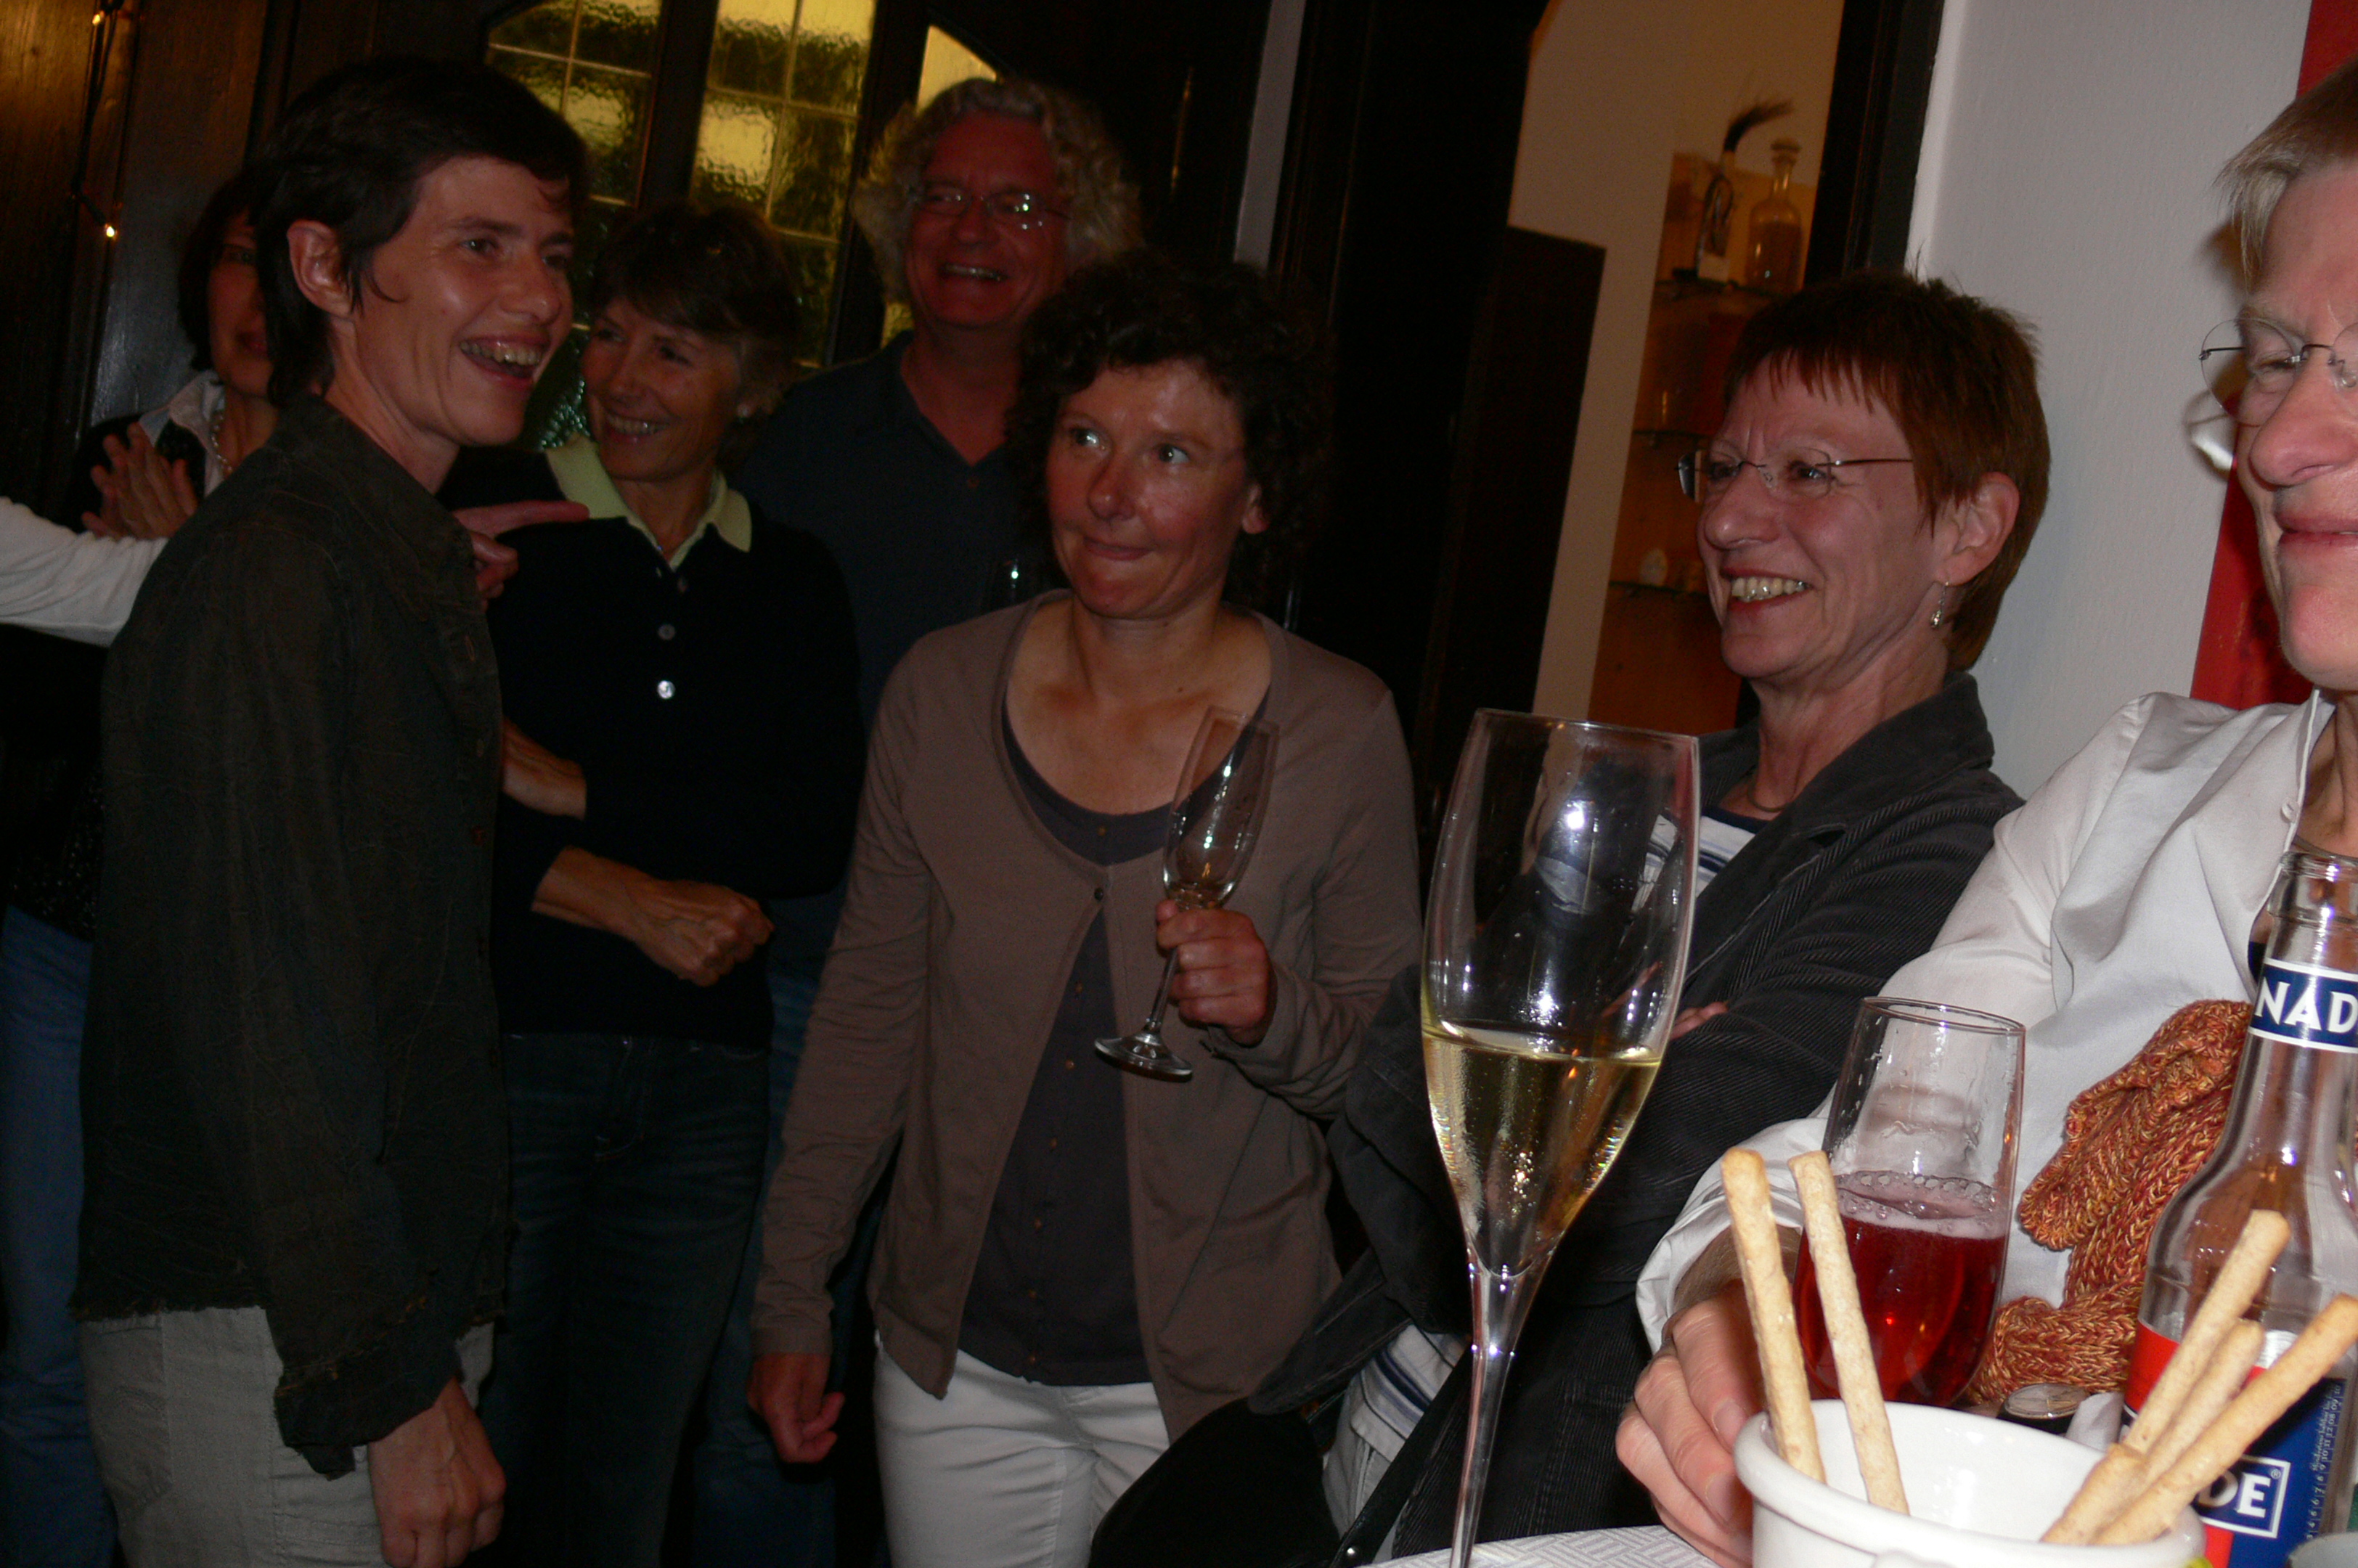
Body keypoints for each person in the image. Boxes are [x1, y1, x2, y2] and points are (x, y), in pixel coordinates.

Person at [1092, 269, 2042, 1566]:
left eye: (1810, 473)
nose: (1731, 520)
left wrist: (1532, 1102)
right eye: (1723, 467)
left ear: (1969, 529)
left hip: (1514, 1518)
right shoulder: (1649, 787)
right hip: (1335, 1437)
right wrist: (1593, 1090)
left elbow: (1650, 1204)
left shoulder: (1955, 855)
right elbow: (1396, 1087)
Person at [1618, 57, 2358, 1568]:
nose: (2278, 444)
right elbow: (1829, 1164)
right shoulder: (2142, 782)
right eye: (2276, 358)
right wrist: (1732, 1325)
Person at [748, 250, 1422, 1568]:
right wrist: (790, 1295)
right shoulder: (944, 692)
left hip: (1212, 1388)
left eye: (1172, 455)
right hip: (952, 1372)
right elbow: (866, 1021)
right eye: (1085, 438)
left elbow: (1395, 1081)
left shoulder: (1340, 731)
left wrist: (1276, 1015)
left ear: (1258, 494)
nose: (1112, 494)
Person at [73, 57, 582, 1568]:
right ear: (325, 268)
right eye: (479, 245)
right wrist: (391, 1385)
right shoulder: (276, 572)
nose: (537, 299)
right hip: (278, 1346)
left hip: (355, 1320)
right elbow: (269, 1025)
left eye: (553, 254)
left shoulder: (381, 554)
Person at [694, 74, 1140, 1565]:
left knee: (982, 1401)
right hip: (804, 994)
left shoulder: (1116, 465)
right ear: (896, 224)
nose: (972, 231)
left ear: (1078, 242)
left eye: (1018, 205)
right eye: (944, 196)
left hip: (1032, 1017)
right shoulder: (796, 442)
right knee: (769, 1404)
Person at [434, 197, 862, 1567]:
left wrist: (580, 793)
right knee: (471, 1467)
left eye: (672, 352)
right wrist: (634, 891)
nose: (620, 379)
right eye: (608, 337)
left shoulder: (791, 578)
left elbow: (808, 832)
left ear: (754, 383)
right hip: (510, 1052)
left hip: (706, 1086)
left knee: (625, 1490)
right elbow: (425, 809)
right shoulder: (499, 525)